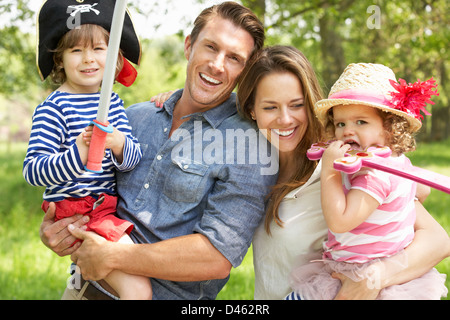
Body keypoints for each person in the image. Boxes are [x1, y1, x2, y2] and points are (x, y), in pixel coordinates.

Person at [40, 1, 276, 300]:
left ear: (246, 70)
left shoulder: (248, 145)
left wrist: (113, 257)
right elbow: (84, 188)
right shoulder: (134, 117)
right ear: (189, 45)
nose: (217, 64)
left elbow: (215, 257)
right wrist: (59, 229)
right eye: (210, 47)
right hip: (79, 290)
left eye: (234, 58)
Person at [236, 47, 450, 299]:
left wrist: (372, 280)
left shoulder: (348, 168)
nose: (285, 119)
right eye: (270, 107)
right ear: (252, 110)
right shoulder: (248, 169)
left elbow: (437, 239)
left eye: (297, 105)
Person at [24, 0, 152, 299]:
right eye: (76, 50)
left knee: (129, 281)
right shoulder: (53, 109)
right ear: (59, 59)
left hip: (105, 208)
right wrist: (79, 152)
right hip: (78, 210)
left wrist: (119, 144)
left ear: (113, 56)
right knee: (138, 290)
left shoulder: (113, 103)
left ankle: (81, 282)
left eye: (98, 49)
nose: (88, 59)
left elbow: (132, 160)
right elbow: (33, 171)